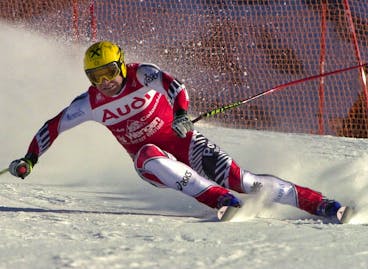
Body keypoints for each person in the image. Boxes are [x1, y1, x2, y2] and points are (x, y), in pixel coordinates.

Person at [9, 40, 342, 219]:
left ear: (122, 64)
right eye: (96, 76)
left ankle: (320, 204)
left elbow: (175, 86)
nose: (106, 81)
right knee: (149, 155)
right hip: (150, 163)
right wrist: (30, 159)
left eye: (109, 71)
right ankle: (218, 200)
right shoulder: (90, 103)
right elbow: (53, 126)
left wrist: (182, 114)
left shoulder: (142, 74)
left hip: (184, 142)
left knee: (245, 181)